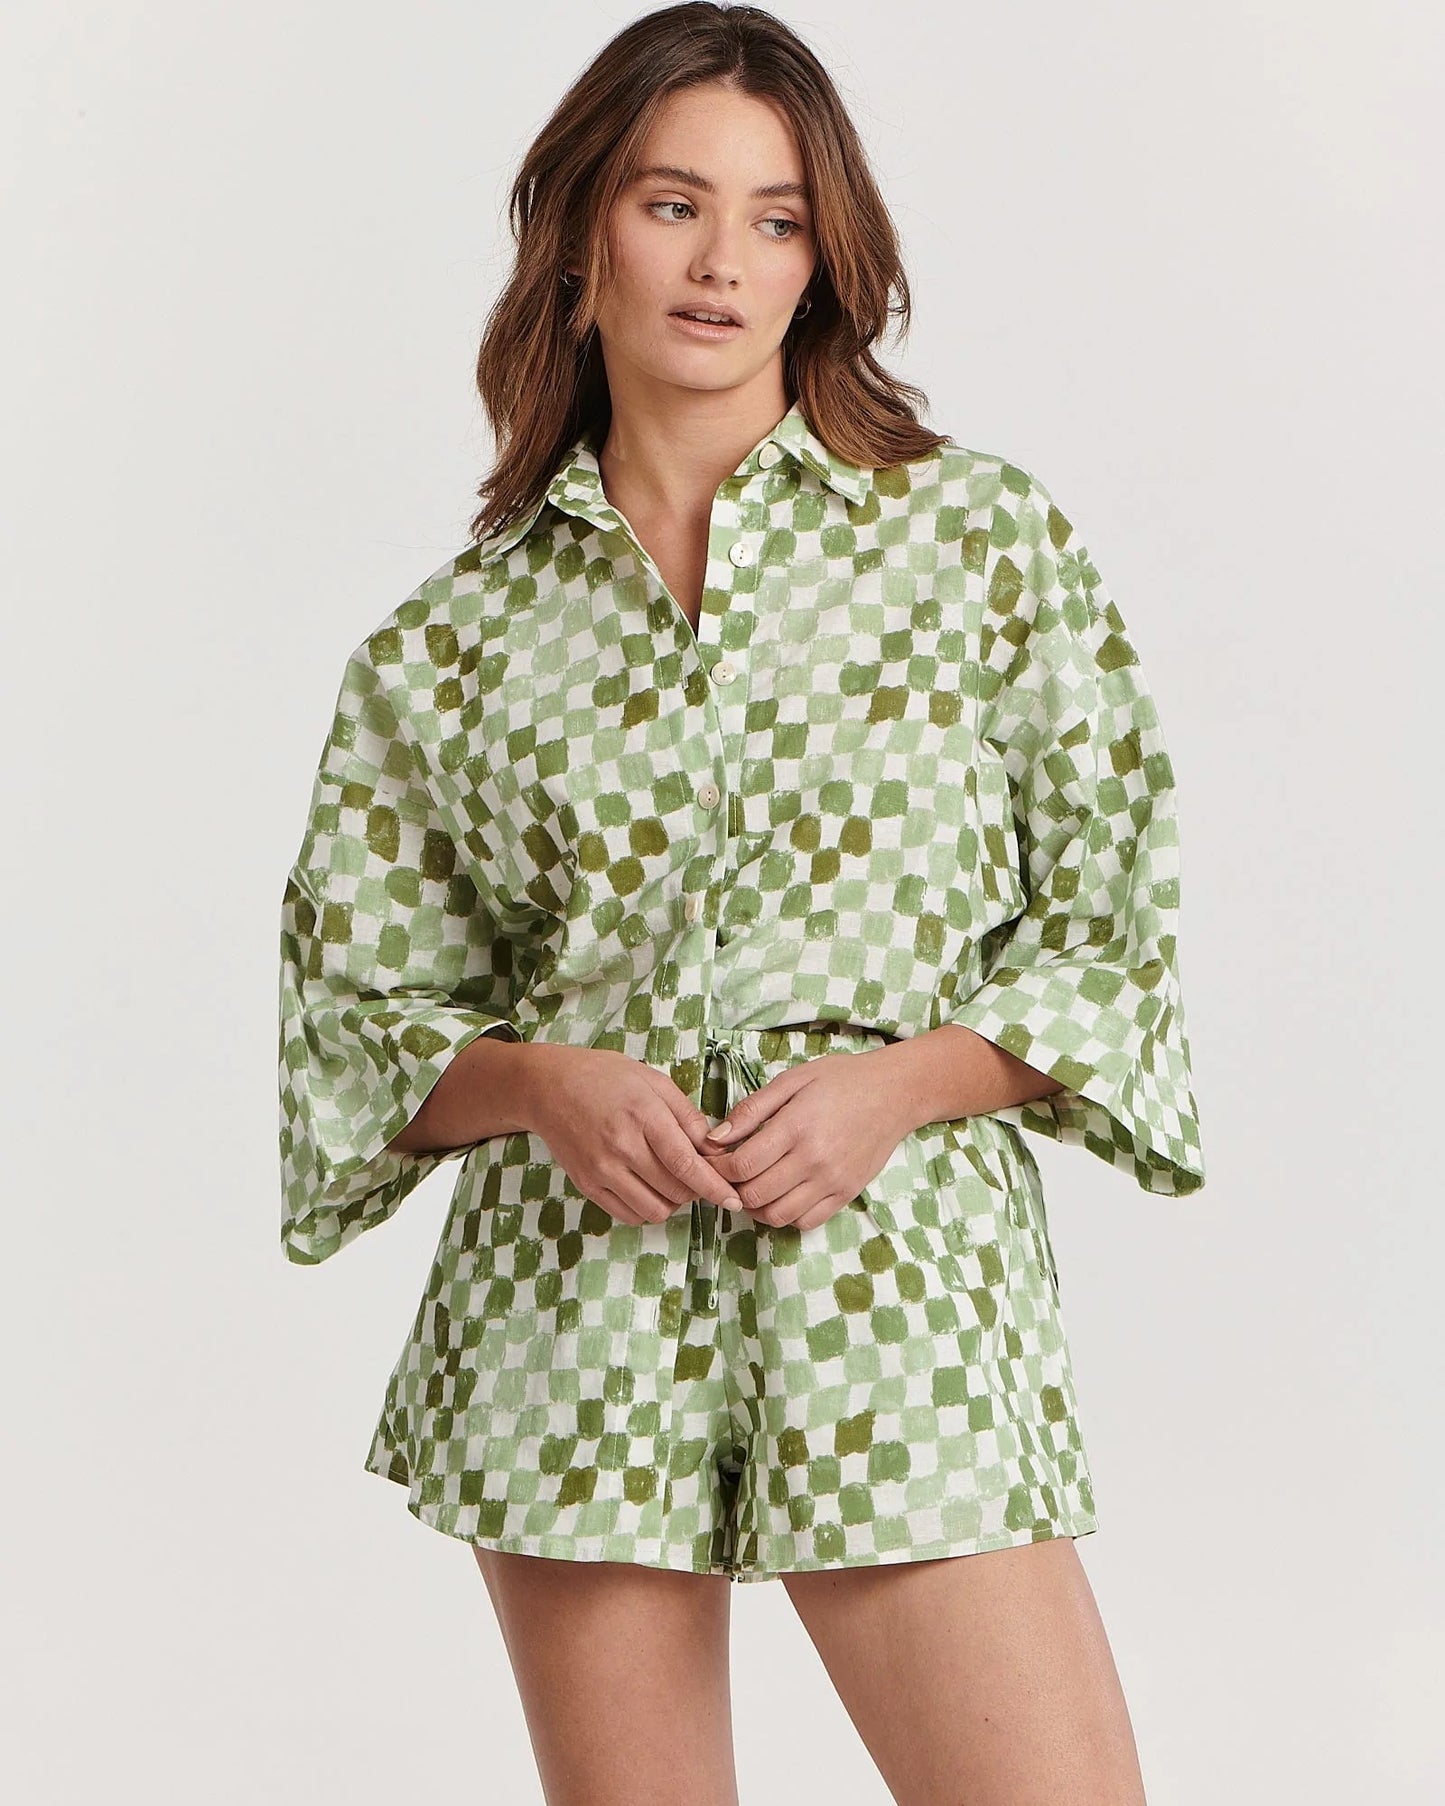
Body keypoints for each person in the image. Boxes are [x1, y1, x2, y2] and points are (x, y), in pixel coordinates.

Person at [275, 5, 1205, 1802]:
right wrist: (543, 1083)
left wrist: (900, 1085)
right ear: (579, 239)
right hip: (573, 1314)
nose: (721, 262)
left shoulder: (979, 546)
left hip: (898, 1284)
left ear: (821, 261)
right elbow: (354, 1022)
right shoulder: (446, 646)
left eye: (775, 219)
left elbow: (1113, 934)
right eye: (671, 204)